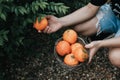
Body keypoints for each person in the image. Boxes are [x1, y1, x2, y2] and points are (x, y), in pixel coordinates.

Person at [43, 0, 120, 68]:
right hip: (114, 13)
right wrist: (60, 22)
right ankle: (108, 32)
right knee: (79, 27)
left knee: (116, 57)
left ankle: (112, 36)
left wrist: (100, 44)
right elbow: (90, 9)